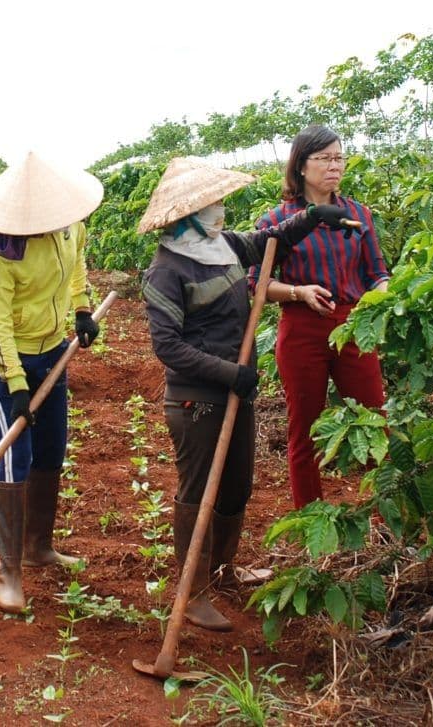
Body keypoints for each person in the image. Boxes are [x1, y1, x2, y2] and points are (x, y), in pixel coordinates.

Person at [139, 156, 360, 632]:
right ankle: (192, 592)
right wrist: (227, 372)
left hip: (237, 390)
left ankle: (221, 570)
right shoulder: (167, 269)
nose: (221, 210)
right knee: (198, 493)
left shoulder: (221, 245)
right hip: (196, 399)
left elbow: (266, 245)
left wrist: (311, 218)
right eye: (212, 204)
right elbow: (168, 346)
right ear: (187, 214)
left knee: (237, 485)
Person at [0, 151, 104, 614]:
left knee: (51, 449)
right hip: (7, 359)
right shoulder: (1, 251)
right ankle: (9, 572)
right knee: (14, 458)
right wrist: (15, 383)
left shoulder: (70, 227)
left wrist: (83, 308)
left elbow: (77, 266)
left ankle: (38, 546)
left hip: (52, 352)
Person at [252, 125, 390, 509]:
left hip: (352, 327)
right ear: (301, 165)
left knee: (373, 419)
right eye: (325, 158)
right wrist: (299, 292)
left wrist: (377, 299)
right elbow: (257, 284)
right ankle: (310, 515)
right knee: (305, 428)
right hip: (301, 330)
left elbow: (377, 272)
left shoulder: (358, 214)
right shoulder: (278, 220)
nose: (335, 166)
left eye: (339, 158)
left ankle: (383, 517)